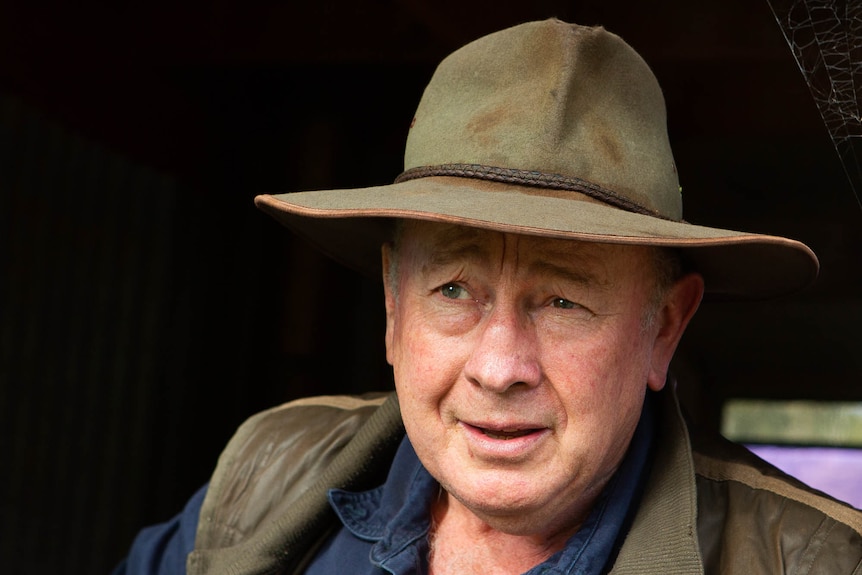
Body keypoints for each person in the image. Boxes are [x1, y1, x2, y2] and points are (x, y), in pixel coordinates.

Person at [115, 19, 862, 574]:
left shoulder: (816, 562)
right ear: (392, 307)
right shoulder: (267, 468)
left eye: (563, 300)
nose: (500, 366)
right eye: (453, 289)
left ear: (663, 328)